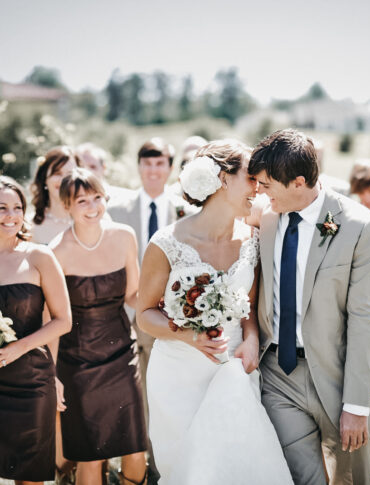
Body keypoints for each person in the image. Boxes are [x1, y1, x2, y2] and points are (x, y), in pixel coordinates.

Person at [136, 140, 294, 485]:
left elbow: (247, 308)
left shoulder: (252, 239)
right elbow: (144, 313)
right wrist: (188, 335)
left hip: (234, 366)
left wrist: (251, 339)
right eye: (251, 177)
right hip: (177, 374)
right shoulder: (166, 242)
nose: (258, 187)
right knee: (186, 470)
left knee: (239, 465)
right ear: (223, 179)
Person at [248, 129, 370, 485]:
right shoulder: (264, 217)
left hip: (340, 373)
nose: (259, 192)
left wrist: (357, 405)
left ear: (299, 182)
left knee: (351, 479)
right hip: (279, 375)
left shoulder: (361, 227)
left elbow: (365, 319)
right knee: (303, 478)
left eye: (266, 184)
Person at [51, 168, 147, 485]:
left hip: (122, 356)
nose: (93, 207)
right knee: (90, 457)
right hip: (76, 364)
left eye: (97, 198)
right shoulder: (55, 252)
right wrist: (53, 376)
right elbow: (52, 321)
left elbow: (133, 294)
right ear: (67, 206)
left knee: (135, 447)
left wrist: (168, 303)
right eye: (82, 201)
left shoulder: (124, 237)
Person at [108, 137, 194, 482]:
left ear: (170, 169)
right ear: (139, 167)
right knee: (137, 398)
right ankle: (137, 469)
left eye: (160, 164)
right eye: (147, 163)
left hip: (175, 318)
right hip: (129, 319)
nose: (153, 170)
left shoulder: (186, 209)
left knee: (170, 397)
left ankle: (167, 468)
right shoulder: (118, 210)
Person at [0, 176, 71, 484]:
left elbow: (63, 320)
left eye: (17, 207)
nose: (11, 215)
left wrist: (18, 347)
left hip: (31, 384)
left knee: (30, 477)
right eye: (1, 208)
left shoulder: (39, 256)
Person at [30, 146, 79, 244]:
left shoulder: (94, 218)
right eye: (57, 173)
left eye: (70, 174)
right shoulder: (30, 226)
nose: (63, 180)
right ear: (44, 178)